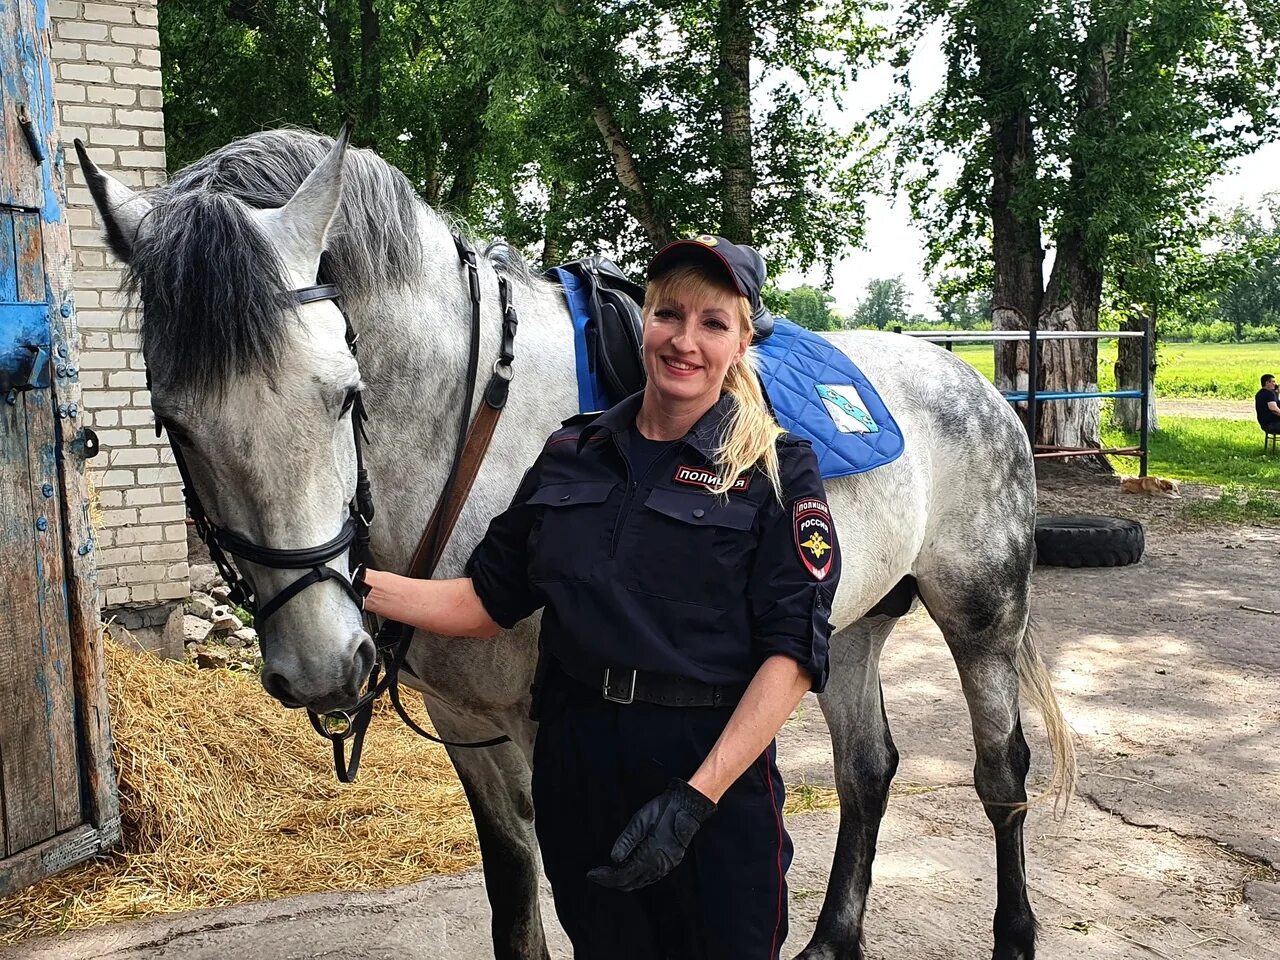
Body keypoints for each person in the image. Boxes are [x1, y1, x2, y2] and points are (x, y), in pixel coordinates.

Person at [360, 234, 839, 959]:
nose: (685, 340)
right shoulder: (570, 452)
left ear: (742, 341)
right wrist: (349, 582)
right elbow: (485, 603)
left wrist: (695, 798)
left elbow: (793, 655)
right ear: (642, 320)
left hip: (706, 774)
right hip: (577, 764)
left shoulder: (775, 470)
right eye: (669, 314)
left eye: (713, 323)